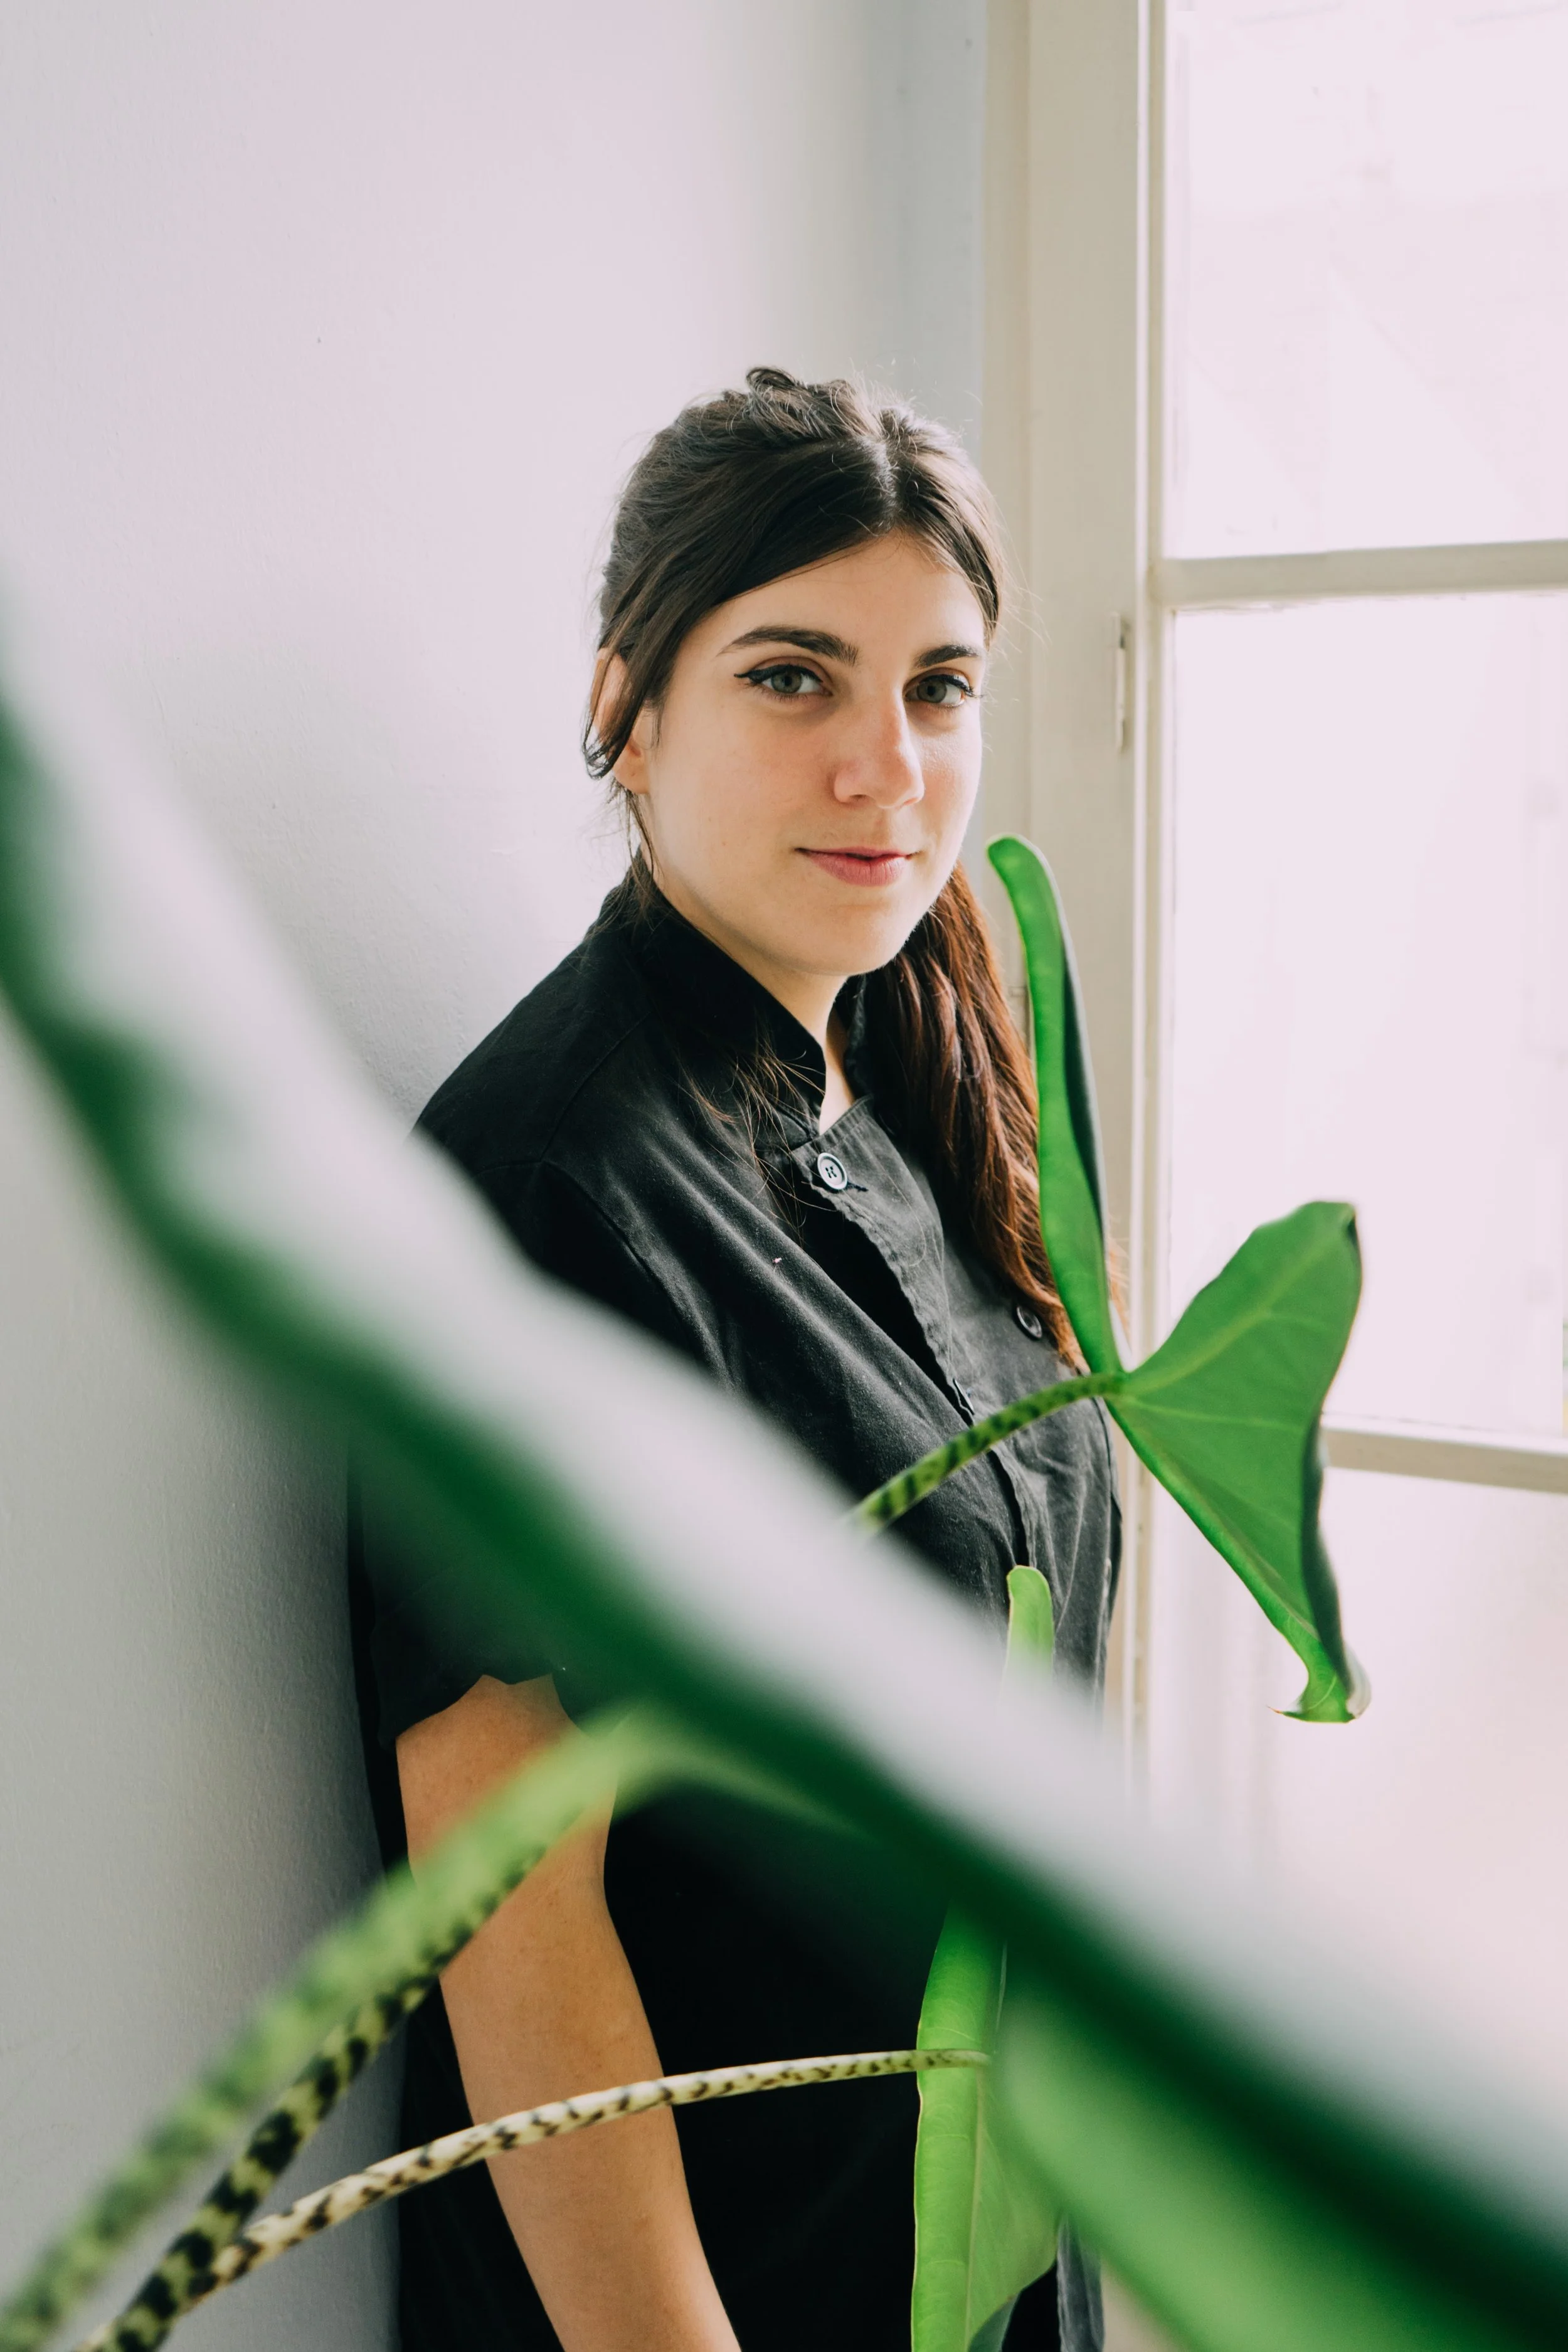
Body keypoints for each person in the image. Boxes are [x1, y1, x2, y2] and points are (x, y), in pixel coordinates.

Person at [349, 366, 1120, 2352]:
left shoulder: (926, 1084)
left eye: (936, 687)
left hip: (972, 2238)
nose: (889, 766)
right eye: (795, 677)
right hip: (718, 2294)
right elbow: (518, 1939)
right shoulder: (544, 1191)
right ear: (629, 707)